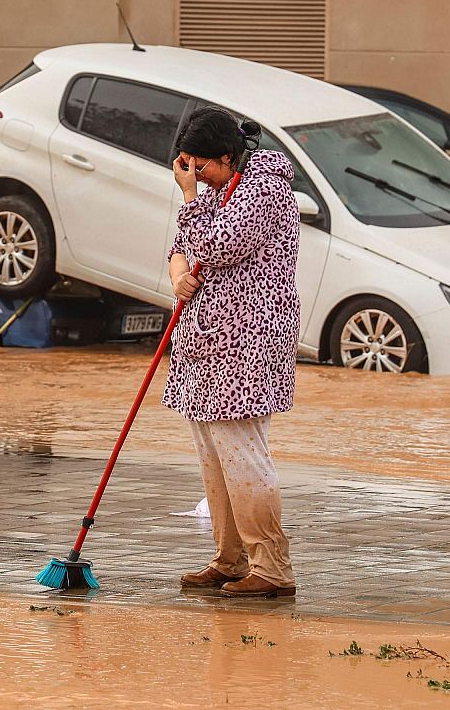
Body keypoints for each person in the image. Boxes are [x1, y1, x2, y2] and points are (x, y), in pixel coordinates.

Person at [164, 106, 301, 598]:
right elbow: (183, 244)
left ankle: (272, 567)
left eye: (201, 166)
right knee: (213, 456)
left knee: (243, 455)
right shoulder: (222, 189)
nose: (195, 176)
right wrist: (179, 274)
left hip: (248, 343)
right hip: (203, 342)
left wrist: (188, 196)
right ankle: (230, 558)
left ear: (227, 155)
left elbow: (219, 244)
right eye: (187, 167)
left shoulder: (265, 189)